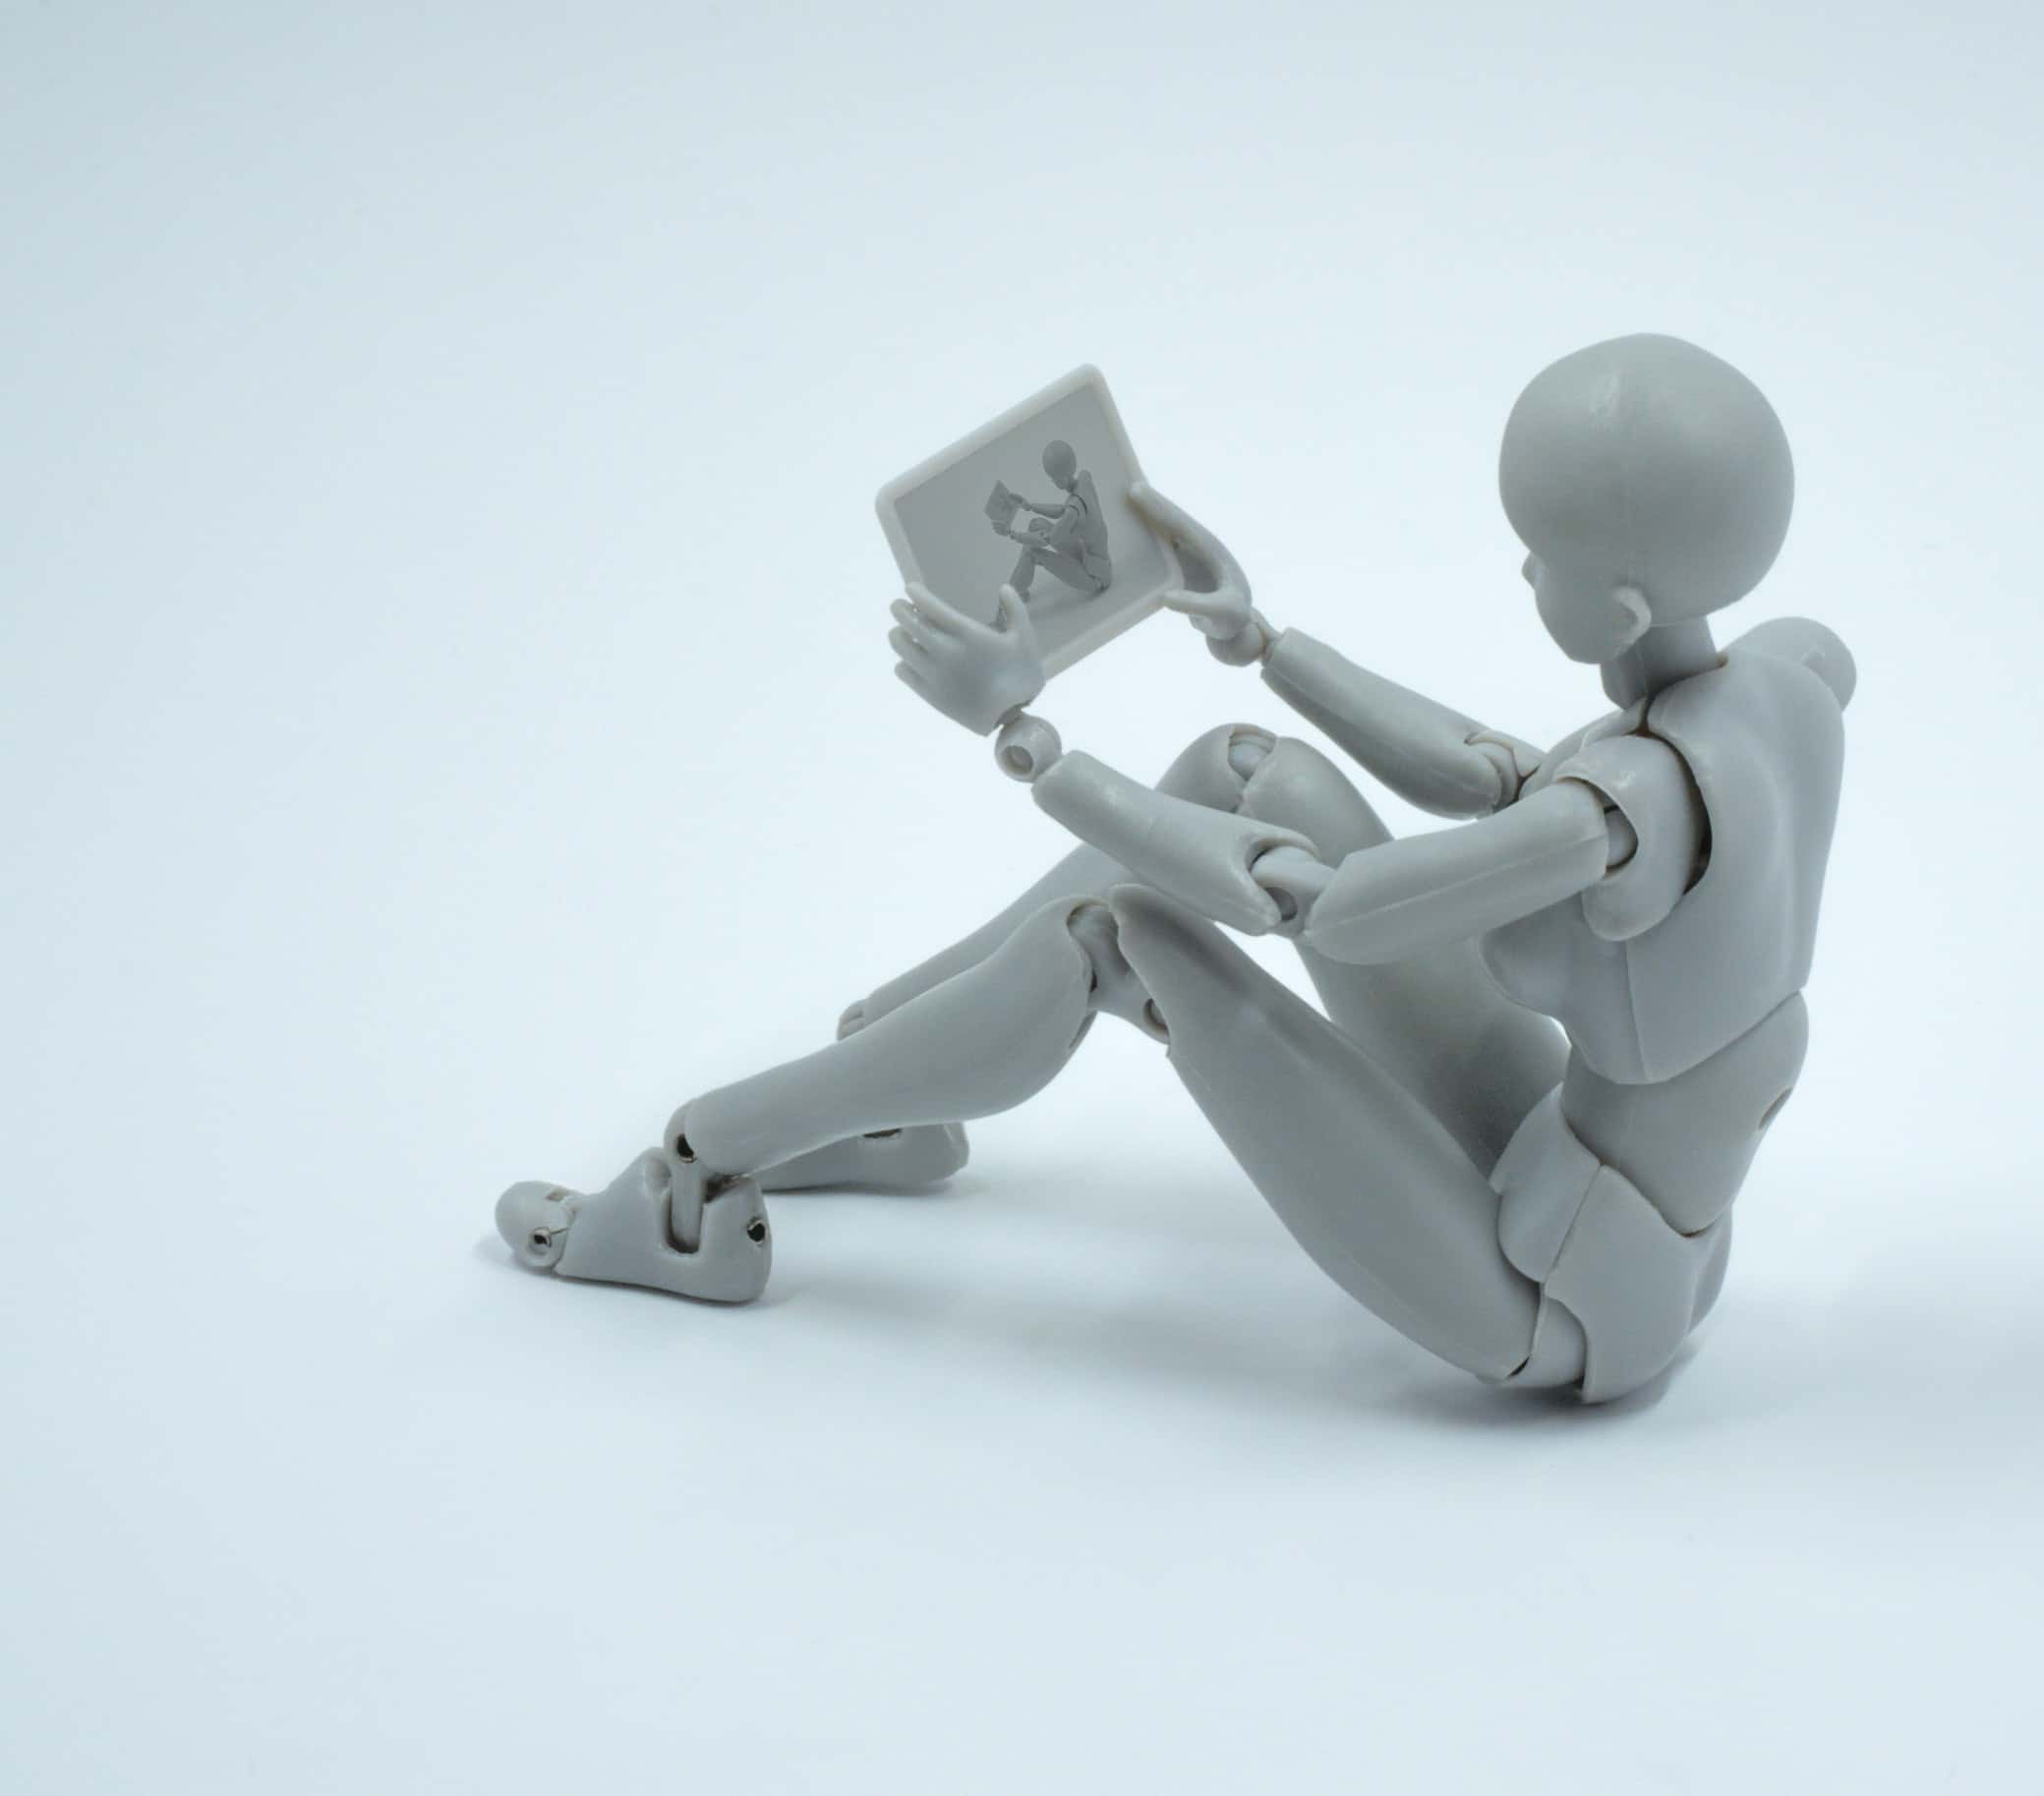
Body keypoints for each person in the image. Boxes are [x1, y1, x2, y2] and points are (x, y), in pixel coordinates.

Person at [495, 335, 1853, 1403]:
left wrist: (1028, 740)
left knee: (1115, 933)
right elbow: (1499, 769)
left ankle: (690, 1173)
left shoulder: (1610, 820)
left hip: (1551, 1296)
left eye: (1541, 556)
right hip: (1600, 1180)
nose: (1520, 568)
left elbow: (1319, 908)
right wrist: (1261, 641)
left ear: (1618, 605)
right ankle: (889, 1079)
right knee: (1248, 768)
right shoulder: (1790, 679)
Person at [996, 438, 1110, 598]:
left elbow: (1048, 539)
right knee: (1036, 524)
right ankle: (1019, 588)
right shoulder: (1085, 479)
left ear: (1060, 479)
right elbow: (1062, 509)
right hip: (1090, 555)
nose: (1052, 481)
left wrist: (1011, 533)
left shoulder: (1073, 511)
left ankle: (1009, 600)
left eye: (1052, 478)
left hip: (1095, 576)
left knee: (1031, 552)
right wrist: (1030, 506)